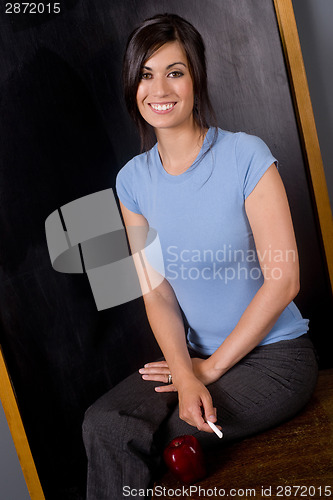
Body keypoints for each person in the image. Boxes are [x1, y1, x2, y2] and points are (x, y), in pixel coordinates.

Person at [82, 13, 318, 500]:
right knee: (103, 423)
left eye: (174, 71)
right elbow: (157, 292)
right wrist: (186, 369)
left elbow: (284, 281)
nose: (159, 88)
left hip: (275, 359)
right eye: (145, 74)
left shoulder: (245, 156)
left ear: (196, 79)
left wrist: (204, 374)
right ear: (133, 86)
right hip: (194, 357)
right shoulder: (132, 182)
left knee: (154, 435)